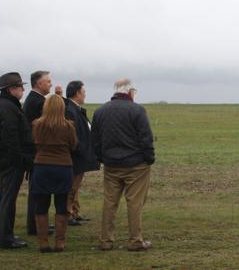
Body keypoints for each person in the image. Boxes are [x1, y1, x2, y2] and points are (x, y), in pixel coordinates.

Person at [92, 78, 155, 252]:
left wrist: (102, 158)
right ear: (130, 92)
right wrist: (149, 158)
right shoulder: (137, 110)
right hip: (136, 165)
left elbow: (95, 140)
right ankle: (135, 240)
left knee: (109, 202)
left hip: (111, 164)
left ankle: (105, 240)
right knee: (134, 203)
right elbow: (146, 138)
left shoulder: (100, 111)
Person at [0, 72, 35, 249]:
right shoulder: (8, 108)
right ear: (10, 89)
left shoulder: (7, 105)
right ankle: (6, 238)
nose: (23, 89)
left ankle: (2, 235)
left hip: (6, 159)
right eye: (19, 87)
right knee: (7, 199)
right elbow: (11, 138)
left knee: (3, 198)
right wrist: (22, 160)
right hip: (11, 161)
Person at [31, 95, 78, 252]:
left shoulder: (37, 125)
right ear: (62, 108)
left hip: (42, 167)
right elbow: (74, 145)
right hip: (63, 168)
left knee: (41, 206)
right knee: (61, 206)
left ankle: (43, 242)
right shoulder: (68, 126)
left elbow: (33, 143)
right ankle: (60, 242)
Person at [23, 70, 61, 235]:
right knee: (36, 193)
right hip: (38, 153)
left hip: (35, 152)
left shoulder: (33, 99)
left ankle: (36, 224)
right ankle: (35, 226)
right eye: (48, 82)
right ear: (39, 84)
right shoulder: (37, 102)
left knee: (36, 192)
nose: (51, 84)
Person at [64, 81, 99, 226]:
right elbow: (72, 137)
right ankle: (68, 215)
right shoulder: (70, 111)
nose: (85, 95)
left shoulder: (76, 109)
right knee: (71, 187)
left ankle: (75, 212)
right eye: (83, 92)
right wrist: (82, 150)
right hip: (76, 157)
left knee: (75, 188)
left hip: (80, 156)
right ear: (77, 93)